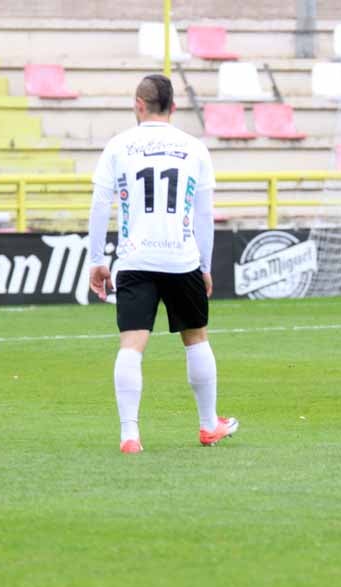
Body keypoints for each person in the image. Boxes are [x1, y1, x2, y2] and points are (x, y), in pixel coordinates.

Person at [88, 74, 238, 453]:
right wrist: (204, 266)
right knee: (196, 339)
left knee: (131, 345)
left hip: (136, 258)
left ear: (139, 104)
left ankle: (129, 435)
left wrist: (97, 260)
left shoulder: (119, 146)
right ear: (174, 107)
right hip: (181, 258)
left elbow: (99, 205)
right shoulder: (194, 148)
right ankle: (208, 425)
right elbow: (204, 215)